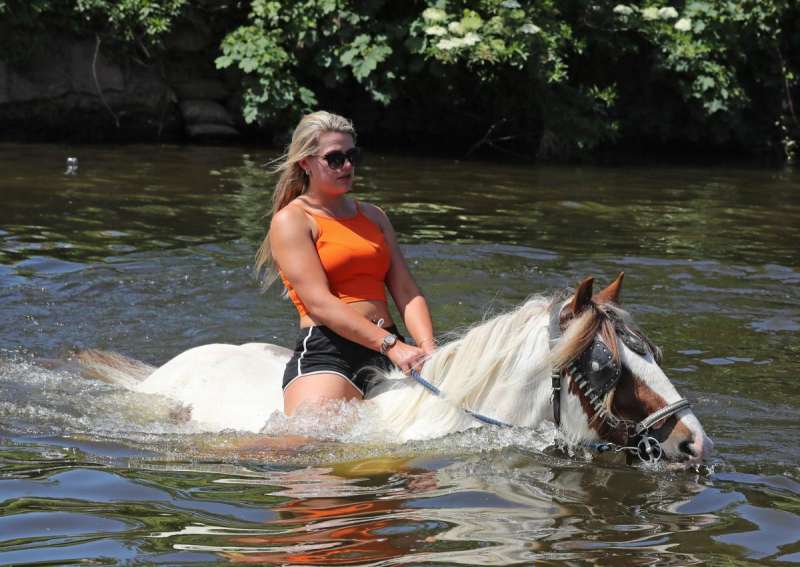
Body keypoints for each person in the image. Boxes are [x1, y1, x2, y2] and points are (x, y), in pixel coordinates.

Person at [255, 111, 436, 416]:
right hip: (330, 352)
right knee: (311, 448)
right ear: (305, 162)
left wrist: (429, 348)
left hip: (386, 346)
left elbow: (406, 290)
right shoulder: (293, 220)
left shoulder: (374, 216)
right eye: (335, 158)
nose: (348, 166)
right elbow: (320, 303)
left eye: (352, 156)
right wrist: (392, 345)